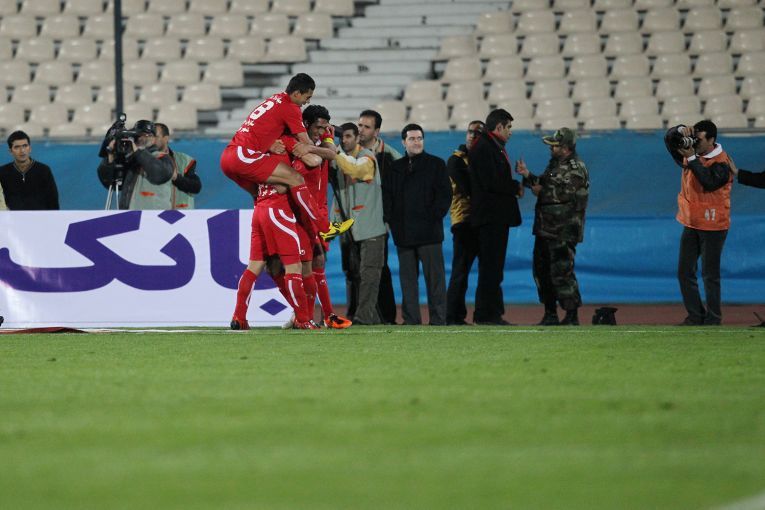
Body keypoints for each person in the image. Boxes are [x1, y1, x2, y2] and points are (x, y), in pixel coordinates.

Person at [220, 72, 352, 242]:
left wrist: (269, 144)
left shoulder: (275, 99)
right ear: (296, 93)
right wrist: (325, 140)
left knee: (262, 195)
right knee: (295, 178)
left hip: (229, 156)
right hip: (243, 155)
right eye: (307, 97)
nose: (307, 102)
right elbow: (309, 149)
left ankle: (262, 230)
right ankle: (324, 227)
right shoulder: (290, 108)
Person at [271, 105, 352, 329]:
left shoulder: (320, 142)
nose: (322, 131)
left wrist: (317, 142)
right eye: (318, 127)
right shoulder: (291, 145)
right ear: (305, 125)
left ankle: (325, 315)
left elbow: (331, 153)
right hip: (296, 213)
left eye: (325, 127)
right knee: (292, 265)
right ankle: (303, 315)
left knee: (317, 262)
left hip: (318, 211)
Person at [516, 128, 590, 326]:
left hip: (563, 230)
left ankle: (571, 315)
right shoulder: (555, 165)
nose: (551, 149)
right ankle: (550, 313)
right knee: (542, 271)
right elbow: (543, 183)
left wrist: (541, 191)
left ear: (565, 148)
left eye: (554, 146)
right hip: (545, 227)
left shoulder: (576, 168)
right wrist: (526, 174)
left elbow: (570, 195)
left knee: (562, 271)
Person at [664, 120, 733, 326]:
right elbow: (668, 140)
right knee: (684, 272)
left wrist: (693, 158)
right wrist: (680, 130)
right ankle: (695, 316)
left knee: (710, 275)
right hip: (692, 223)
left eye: (699, 139)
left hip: (713, 225)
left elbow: (709, 182)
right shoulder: (692, 155)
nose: (695, 143)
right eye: (694, 138)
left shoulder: (722, 162)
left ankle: (713, 318)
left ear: (711, 140)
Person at [382, 124, 452, 325]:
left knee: (435, 281)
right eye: (412, 139)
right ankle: (411, 319)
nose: (417, 142)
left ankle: (438, 320)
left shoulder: (436, 164)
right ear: (403, 142)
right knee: (408, 282)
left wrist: (434, 216)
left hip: (430, 233)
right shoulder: (395, 168)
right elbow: (387, 197)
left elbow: (445, 195)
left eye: (419, 138)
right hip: (403, 234)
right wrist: (392, 221)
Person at [468, 109, 523, 326]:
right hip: (490, 218)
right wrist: (515, 187)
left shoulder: (490, 146)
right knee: (490, 268)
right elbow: (491, 182)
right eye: (508, 127)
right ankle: (485, 315)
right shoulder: (484, 148)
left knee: (493, 268)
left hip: (494, 217)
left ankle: (492, 313)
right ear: (498, 127)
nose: (510, 131)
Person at [331, 122, 387, 325]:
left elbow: (355, 170)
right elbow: (338, 197)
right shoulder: (340, 160)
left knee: (369, 274)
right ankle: (368, 316)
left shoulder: (367, 158)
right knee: (352, 274)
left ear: (357, 138)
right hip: (349, 230)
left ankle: (363, 318)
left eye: (348, 136)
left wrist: (334, 151)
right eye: (341, 137)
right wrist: (333, 226)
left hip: (370, 228)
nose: (344, 140)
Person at [357, 109, 399, 324]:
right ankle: (357, 313)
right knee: (353, 270)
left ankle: (387, 316)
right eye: (360, 125)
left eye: (367, 127)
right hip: (353, 221)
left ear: (377, 131)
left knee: (378, 268)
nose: (361, 130)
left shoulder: (390, 156)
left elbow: (399, 191)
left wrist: (389, 218)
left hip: (377, 220)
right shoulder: (349, 151)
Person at [445, 120, 484, 325]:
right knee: (460, 271)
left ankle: (480, 314)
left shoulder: (478, 159)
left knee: (480, 272)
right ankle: (452, 315)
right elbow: (471, 189)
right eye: (470, 132)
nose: (472, 136)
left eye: (477, 133)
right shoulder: (456, 160)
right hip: (463, 221)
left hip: (479, 221)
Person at [97, 120, 174, 210]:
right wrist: (111, 155)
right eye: (136, 136)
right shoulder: (131, 160)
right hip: (130, 215)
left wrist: (138, 152)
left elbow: (160, 174)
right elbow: (109, 182)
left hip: (153, 216)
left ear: (153, 139)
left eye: (142, 135)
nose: (138, 139)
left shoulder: (162, 157)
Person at [0, 131, 59, 210]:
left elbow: (53, 201)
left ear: (30, 148)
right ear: (10, 151)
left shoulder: (43, 170)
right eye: (17, 147)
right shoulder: (3, 172)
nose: (22, 150)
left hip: (40, 217)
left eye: (25, 146)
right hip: (12, 217)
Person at [154, 122, 201, 209]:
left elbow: (196, 187)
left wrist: (176, 178)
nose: (152, 140)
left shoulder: (184, 161)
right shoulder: (140, 160)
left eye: (155, 136)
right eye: (150, 136)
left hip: (180, 215)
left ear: (166, 138)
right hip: (151, 215)